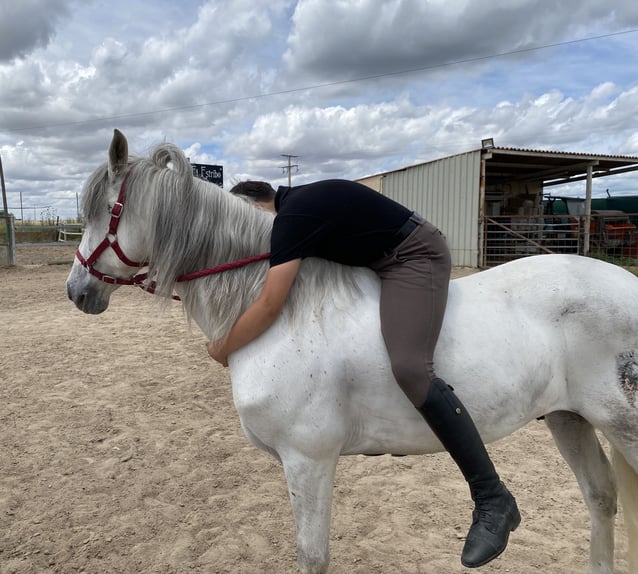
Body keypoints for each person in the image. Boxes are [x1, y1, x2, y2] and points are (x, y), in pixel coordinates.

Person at [207, 179, 521, 568]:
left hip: (414, 255)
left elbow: (272, 303)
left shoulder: (292, 218)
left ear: (254, 206)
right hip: (381, 258)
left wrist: (222, 348)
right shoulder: (299, 206)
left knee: (410, 367)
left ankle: (492, 497)